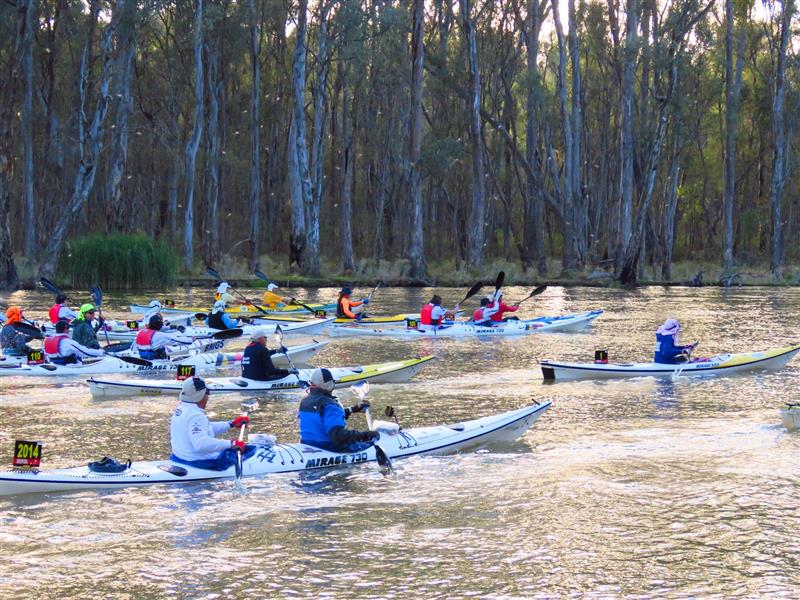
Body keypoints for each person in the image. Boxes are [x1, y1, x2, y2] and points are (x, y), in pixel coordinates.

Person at [169, 376, 252, 470]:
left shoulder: (181, 409)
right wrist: (232, 443)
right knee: (250, 450)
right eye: (207, 393)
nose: (208, 397)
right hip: (201, 462)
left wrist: (230, 424)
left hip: (181, 458)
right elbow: (201, 444)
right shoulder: (196, 415)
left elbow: (204, 429)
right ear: (200, 395)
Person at [298, 368, 380, 452]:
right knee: (371, 443)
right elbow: (337, 436)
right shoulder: (330, 404)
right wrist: (365, 435)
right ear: (329, 385)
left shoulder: (304, 402)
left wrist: (352, 409)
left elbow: (323, 420)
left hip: (307, 444)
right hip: (329, 448)